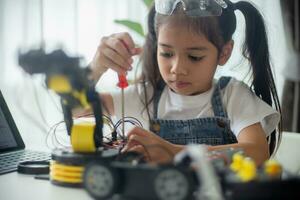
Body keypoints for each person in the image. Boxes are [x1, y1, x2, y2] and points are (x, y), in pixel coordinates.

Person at [88, 0, 281, 166]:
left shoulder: (232, 96)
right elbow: (74, 111)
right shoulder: (144, 97)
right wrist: (95, 68)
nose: (177, 68)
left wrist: (175, 152)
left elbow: (257, 152)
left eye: (194, 56)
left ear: (224, 52)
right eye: (166, 53)